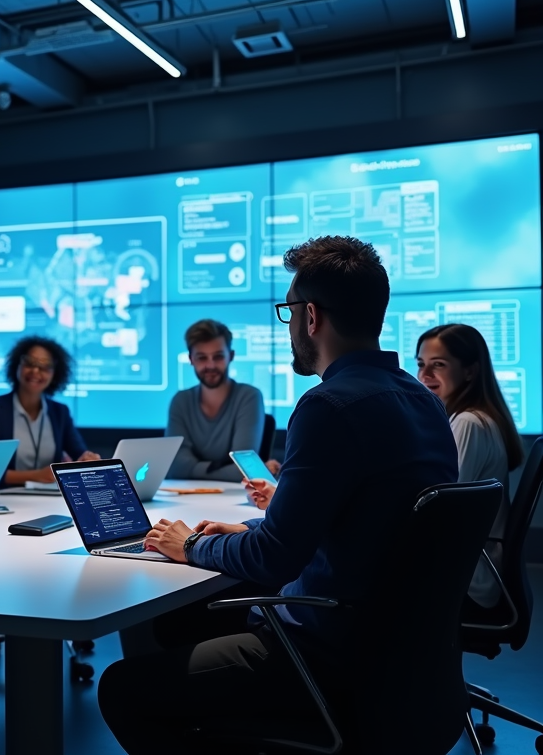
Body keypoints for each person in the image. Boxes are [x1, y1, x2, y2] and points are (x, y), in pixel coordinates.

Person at [97, 235, 459, 753]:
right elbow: (355, 520)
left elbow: (274, 559)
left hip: (325, 653)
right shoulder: (421, 401)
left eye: (288, 313)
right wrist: (246, 528)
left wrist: (191, 545)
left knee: (124, 687)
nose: (289, 327)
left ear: (310, 317)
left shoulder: (327, 406)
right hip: (402, 653)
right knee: (180, 620)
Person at [416, 323, 524, 608]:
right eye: (421, 364)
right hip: (471, 569)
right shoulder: (472, 418)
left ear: (470, 371)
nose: (424, 375)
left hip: (471, 579)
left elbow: (440, 509)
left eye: (438, 365)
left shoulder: (468, 423)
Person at [0, 335, 99, 486]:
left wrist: (87, 459)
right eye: (29, 363)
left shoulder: (60, 412)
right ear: (17, 365)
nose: (36, 371)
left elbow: (79, 453)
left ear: (55, 374)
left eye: (45, 367)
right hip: (8, 496)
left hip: (50, 498)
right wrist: (37, 475)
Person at [166, 319, 273, 481]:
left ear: (231, 356)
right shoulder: (181, 401)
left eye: (218, 357)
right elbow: (176, 467)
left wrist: (193, 469)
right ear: (191, 359)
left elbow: (244, 470)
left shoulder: (249, 397)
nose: (210, 365)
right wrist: (221, 467)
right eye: (202, 358)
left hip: (235, 500)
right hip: (187, 498)